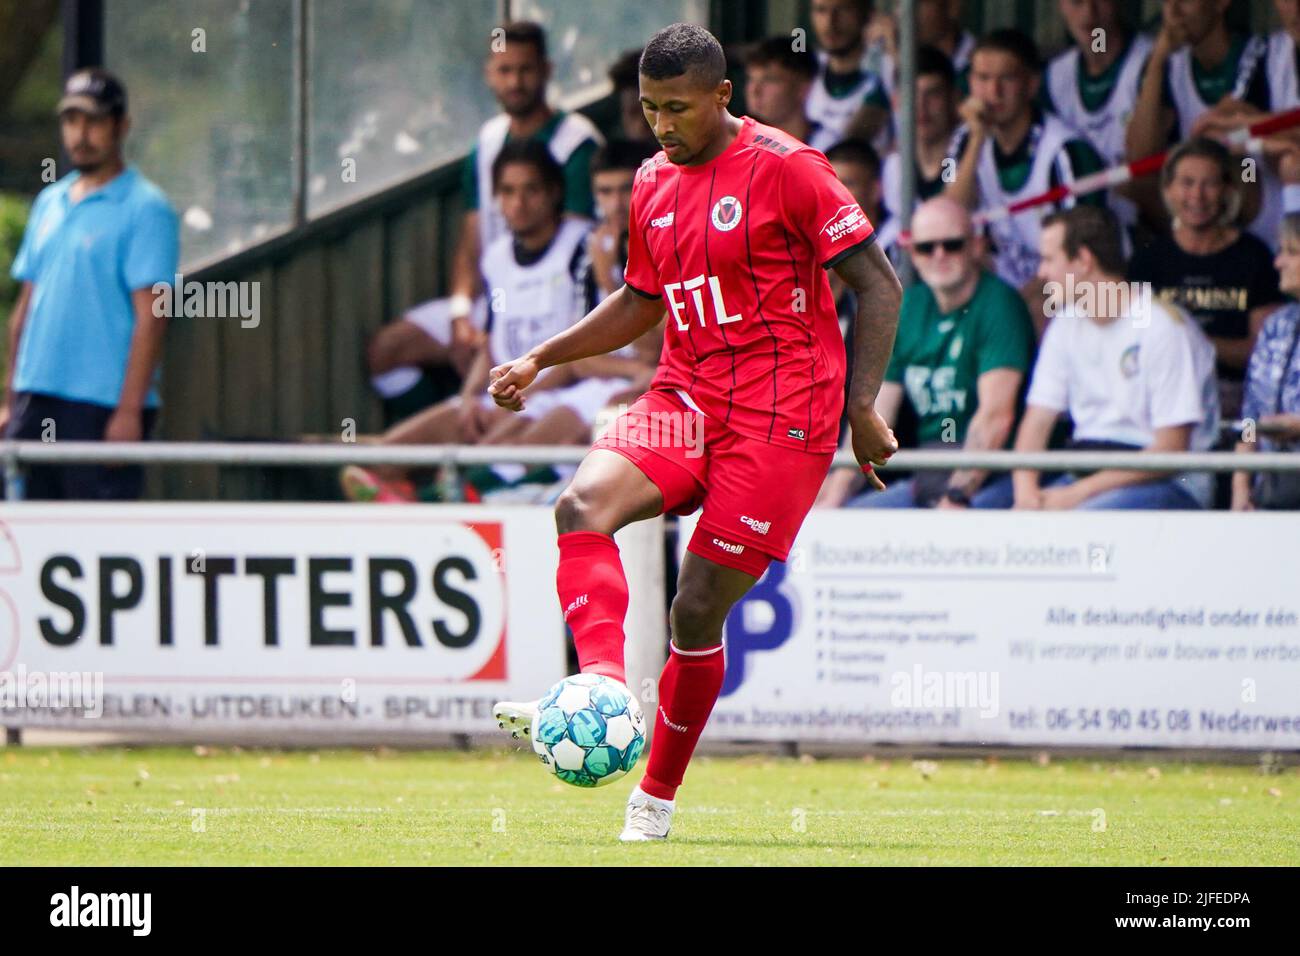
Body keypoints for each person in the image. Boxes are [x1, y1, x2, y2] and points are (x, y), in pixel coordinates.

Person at [486, 24, 900, 841]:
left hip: (783, 417)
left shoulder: (788, 169)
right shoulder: (649, 180)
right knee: (580, 508)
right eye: (648, 109)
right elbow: (643, 299)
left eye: (677, 109)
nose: (662, 126)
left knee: (694, 609)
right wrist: (544, 357)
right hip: (688, 394)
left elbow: (877, 286)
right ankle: (603, 688)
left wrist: (860, 408)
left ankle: (654, 800)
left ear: (722, 96)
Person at [342, 142, 641, 503]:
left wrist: (523, 393)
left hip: (547, 392)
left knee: (490, 466)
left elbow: (588, 349)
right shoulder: (497, 257)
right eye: (508, 192)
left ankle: (430, 506)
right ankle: (413, 508)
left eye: (531, 190)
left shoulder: (584, 246)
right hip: (503, 393)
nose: (519, 203)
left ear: (554, 193)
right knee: (377, 464)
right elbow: (492, 339)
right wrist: (470, 396)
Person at [366, 21, 603, 414]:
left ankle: (479, 462)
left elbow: (579, 252)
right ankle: (427, 466)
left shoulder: (578, 142)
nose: (516, 81)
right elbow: (472, 241)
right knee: (386, 351)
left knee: (515, 396)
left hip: (552, 305)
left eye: (525, 69)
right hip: (493, 297)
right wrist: (462, 317)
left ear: (546, 70)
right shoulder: (489, 141)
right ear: (488, 74)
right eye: (505, 70)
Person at [2, 67, 178, 500]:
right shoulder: (50, 201)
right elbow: (26, 307)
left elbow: (152, 317)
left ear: (121, 126)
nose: (81, 134)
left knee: (91, 544)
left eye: (94, 121)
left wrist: (128, 412)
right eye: (71, 120)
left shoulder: (146, 208)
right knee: (24, 542)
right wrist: (10, 399)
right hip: (35, 397)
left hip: (99, 408)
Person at [818, 197, 1034, 509]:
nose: (939, 255)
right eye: (926, 247)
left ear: (976, 246)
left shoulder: (999, 305)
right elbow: (875, 414)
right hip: (928, 470)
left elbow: (994, 419)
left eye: (953, 245)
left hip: (991, 474)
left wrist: (958, 495)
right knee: (850, 517)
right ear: (911, 253)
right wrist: (836, 494)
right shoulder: (908, 307)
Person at [1013, 206, 1219, 509]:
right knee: (996, 518)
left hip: (1174, 481)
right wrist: (1025, 494)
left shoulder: (1162, 326)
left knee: (1084, 520)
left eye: (1048, 260)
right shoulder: (1065, 323)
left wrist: (1077, 495)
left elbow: (1172, 449)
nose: (1040, 273)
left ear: (1083, 260)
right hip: (1087, 471)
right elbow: (1037, 421)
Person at [946, 29, 1107, 305]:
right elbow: (949, 217)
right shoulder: (963, 140)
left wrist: (1016, 313)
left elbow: (1083, 255)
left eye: (1006, 79)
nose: (993, 92)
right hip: (1007, 289)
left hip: (1067, 291)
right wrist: (977, 141)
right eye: (983, 79)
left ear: (1031, 84)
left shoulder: (1066, 150)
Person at [1128, 138, 1285, 418]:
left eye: (1210, 183)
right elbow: (1134, 342)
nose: (1197, 196)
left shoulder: (1254, 257)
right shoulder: (1148, 259)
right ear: (1168, 190)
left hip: (1239, 399)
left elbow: (1262, 352)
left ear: (1227, 190)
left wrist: (1191, 339)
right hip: (1163, 394)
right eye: (1187, 183)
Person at [1126, 0, 1278, 248]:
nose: (1173, 11)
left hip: (1259, 184)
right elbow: (1139, 157)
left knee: (1232, 163)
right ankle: (1188, 255)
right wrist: (1157, 59)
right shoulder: (1171, 65)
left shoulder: (1263, 52)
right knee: (1134, 183)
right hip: (1202, 195)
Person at [1042, 0, 1154, 232]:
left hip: (1145, 227)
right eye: (1077, 1)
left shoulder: (1149, 63)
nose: (1089, 12)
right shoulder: (1055, 76)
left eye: (1100, 1)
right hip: (1077, 228)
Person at [1233, 212, 1300, 511]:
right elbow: (1250, 415)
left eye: (1291, 252)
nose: (1278, 262)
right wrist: (1241, 484)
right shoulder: (1277, 325)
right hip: (1273, 492)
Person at [880, 45, 961, 220]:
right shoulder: (893, 167)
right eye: (911, 95)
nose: (921, 106)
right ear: (896, 102)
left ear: (953, 99)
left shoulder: (967, 156)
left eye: (932, 94)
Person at [806, 0, 893, 151]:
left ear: (868, 14)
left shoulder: (888, 70)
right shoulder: (807, 69)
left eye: (843, 9)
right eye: (821, 10)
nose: (830, 22)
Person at [743, 37, 835, 151]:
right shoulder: (739, 145)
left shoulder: (829, 147)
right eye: (751, 79)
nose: (755, 90)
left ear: (802, 88)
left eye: (770, 79)